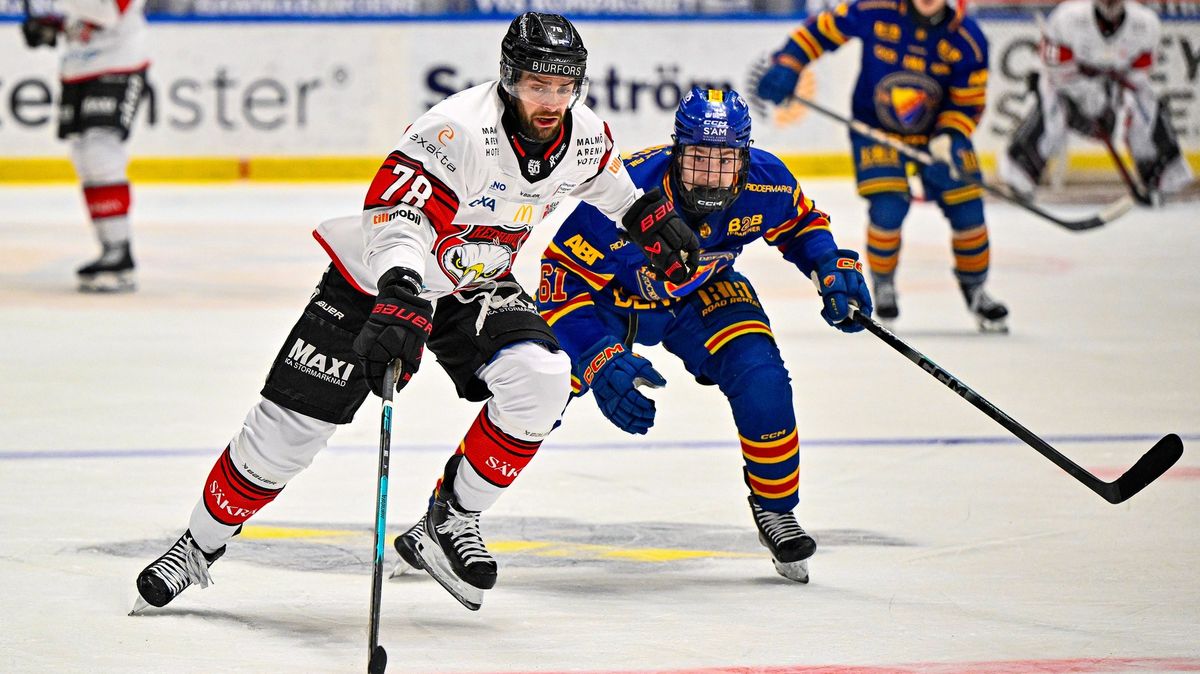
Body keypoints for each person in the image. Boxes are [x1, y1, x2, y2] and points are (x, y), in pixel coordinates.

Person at [132, 12, 699, 613]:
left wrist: (650, 219)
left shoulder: (582, 133)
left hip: (471, 283)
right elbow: (395, 214)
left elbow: (608, 184)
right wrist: (400, 289)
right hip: (380, 280)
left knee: (542, 377)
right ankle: (197, 546)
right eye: (538, 85)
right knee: (285, 435)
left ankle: (450, 519)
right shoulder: (456, 130)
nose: (552, 100)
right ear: (509, 79)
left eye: (564, 87)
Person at [398, 87, 873, 584]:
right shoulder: (630, 189)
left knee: (763, 377)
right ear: (676, 152)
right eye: (699, 160)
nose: (711, 176)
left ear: (746, 157)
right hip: (606, 303)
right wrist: (597, 359)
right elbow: (560, 277)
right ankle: (449, 512)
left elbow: (801, 224)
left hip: (700, 296)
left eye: (726, 161)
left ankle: (775, 508)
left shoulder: (768, 180)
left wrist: (830, 266)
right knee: (543, 394)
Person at [756, 0, 1008, 332]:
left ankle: (976, 288)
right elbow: (822, 29)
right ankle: (884, 282)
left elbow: (968, 102)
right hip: (876, 130)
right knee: (888, 205)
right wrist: (789, 63)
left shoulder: (968, 38)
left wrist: (947, 139)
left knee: (968, 208)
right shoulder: (877, 8)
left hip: (940, 135)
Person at [999, 0, 1193, 204]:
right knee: (1051, 112)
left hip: (1113, 90)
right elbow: (1054, 68)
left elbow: (1139, 74)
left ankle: (1162, 176)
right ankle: (1020, 173)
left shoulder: (1145, 23)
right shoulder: (1067, 17)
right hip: (1066, 88)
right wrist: (1087, 96)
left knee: (1145, 105)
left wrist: (1110, 101)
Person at [21, 0, 149, 292]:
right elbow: (84, 16)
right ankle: (111, 250)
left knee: (100, 151)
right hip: (79, 66)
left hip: (119, 63)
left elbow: (109, 12)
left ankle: (119, 253)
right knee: (84, 156)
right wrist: (54, 26)